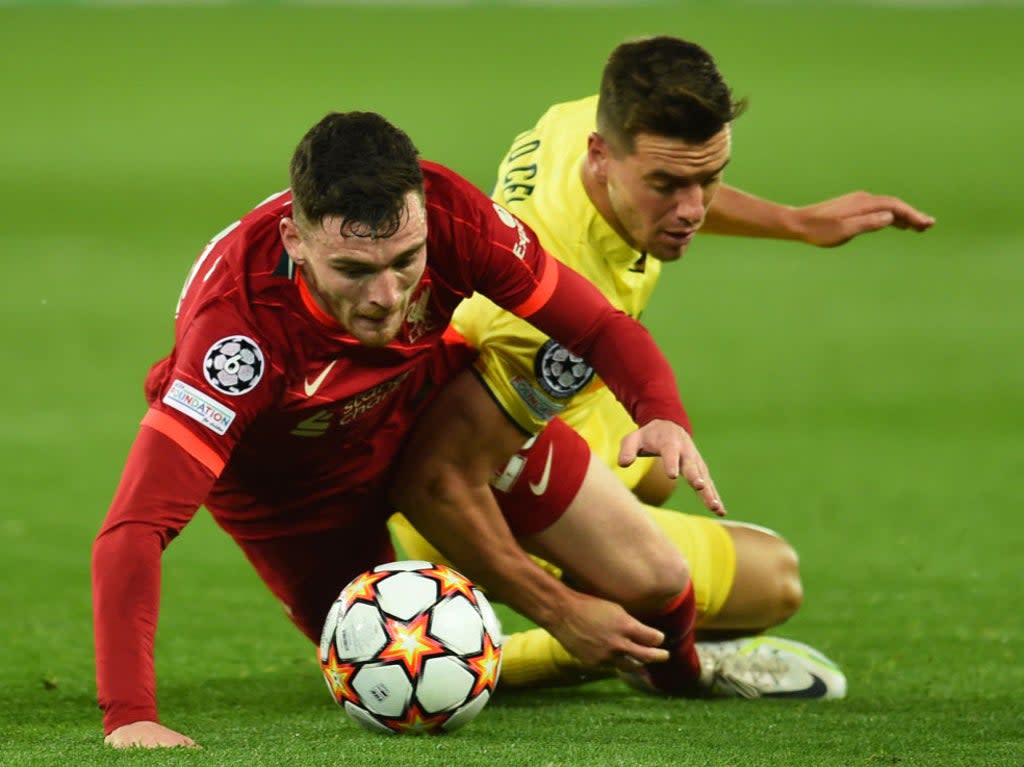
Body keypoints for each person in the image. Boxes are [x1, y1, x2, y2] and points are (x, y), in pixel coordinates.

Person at [93, 110, 733, 748]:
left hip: (423, 409)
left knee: (664, 578)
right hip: (296, 495)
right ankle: (560, 646)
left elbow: (596, 326)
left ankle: (685, 680)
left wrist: (661, 414)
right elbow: (134, 529)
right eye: (353, 270)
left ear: (423, 217)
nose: (386, 296)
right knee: (398, 678)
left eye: (406, 261)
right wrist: (131, 716)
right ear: (294, 239)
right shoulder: (237, 337)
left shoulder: (453, 215)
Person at [389, 35, 934, 692]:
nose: (692, 210)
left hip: (532, 404)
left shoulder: (589, 119)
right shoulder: (549, 296)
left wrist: (796, 222)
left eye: (709, 178)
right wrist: (565, 613)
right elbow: (445, 478)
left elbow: (678, 175)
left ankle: (607, 598)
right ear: (602, 157)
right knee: (773, 580)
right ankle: (551, 652)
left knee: (651, 474)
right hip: (466, 495)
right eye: (667, 187)